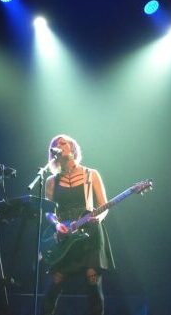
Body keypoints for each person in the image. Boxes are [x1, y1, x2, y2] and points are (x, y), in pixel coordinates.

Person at [40, 134, 115, 315]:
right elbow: (49, 211)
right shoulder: (51, 181)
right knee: (55, 282)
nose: (59, 145)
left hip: (89, 231)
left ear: (72, 148)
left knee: (92, 279)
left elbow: (104, 205)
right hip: (65, 234)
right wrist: (57, 225)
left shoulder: (91, 174)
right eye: (55, 145)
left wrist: (99, 217)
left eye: (63, 143)